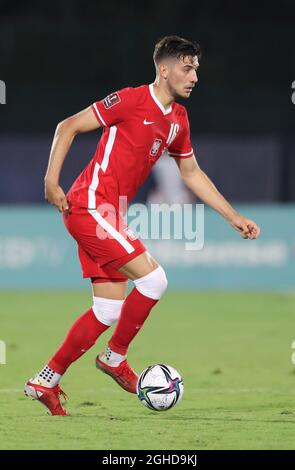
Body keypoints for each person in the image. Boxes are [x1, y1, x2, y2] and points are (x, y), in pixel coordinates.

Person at [24, 36, 261, 415]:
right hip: (89, 205)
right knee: (154, 280)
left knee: (106, 310)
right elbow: (66, 126)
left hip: (108, 213)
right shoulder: (130, 101)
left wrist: (233, 216)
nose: (194, 75)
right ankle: (115, 358)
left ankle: (45, 381)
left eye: (196, 68)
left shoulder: (178, 119)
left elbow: (191, 171)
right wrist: (51, 182)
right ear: (163, 69)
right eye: (187, 67)